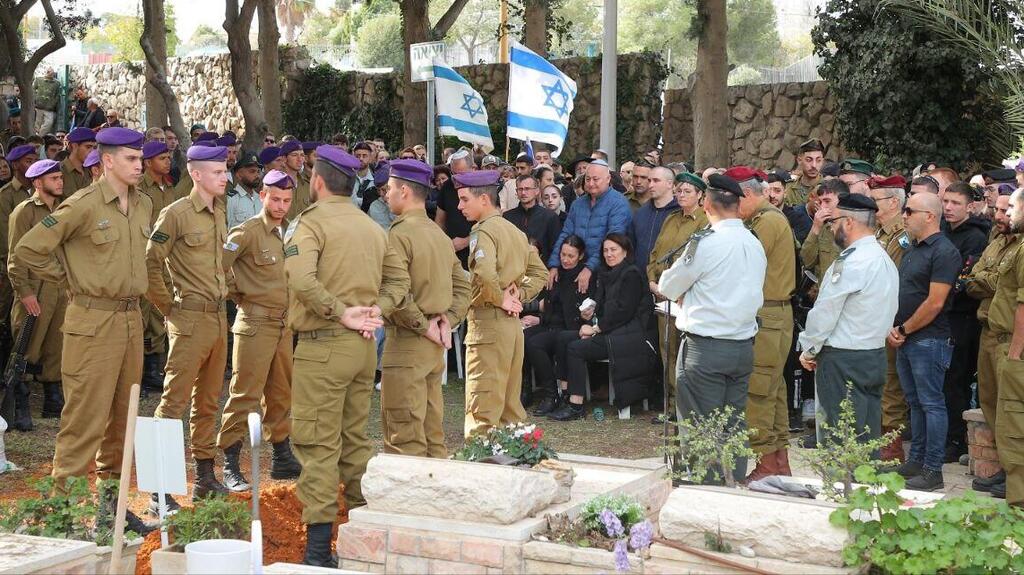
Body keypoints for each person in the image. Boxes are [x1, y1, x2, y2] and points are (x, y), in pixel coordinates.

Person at [13, 127, 154, 533]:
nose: (139, 166)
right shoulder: (83, 205)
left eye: (140, 158)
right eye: (130, 159)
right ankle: (62, 516)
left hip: (131, 319)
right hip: (93, 322)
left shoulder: (143, 203)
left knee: (123, 421)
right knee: (84, 422)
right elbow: (27, 250)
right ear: (107, 161)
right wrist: (69, 277)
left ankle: (111, 511)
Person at [284, 145, 386, 567]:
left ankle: (317, 551)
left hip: (324, 344)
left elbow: (300, 278)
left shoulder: (309, 223)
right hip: (362, 347)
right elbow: (397, 280)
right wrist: (374, 311)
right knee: (354, 439)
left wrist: (340, 311)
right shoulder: (371, 227)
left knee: (318, 444)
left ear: (317, 181)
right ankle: (366, 533)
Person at [658, 174, 767, 485]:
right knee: (733, 422)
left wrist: (685, 291)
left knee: (699, 423)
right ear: (738, 205)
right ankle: (732, 481)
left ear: (706, 204)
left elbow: (668, 285)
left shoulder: (706, 243)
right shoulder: (753, 241)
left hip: (705, 348)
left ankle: (706, 488)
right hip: (742, 346)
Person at [145, 144, 232, 511]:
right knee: (173, 403)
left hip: (217, 317)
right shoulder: (176, 213)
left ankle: (205, 477)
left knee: (209, 401)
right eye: (218, 172)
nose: (225, 177)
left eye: (225, 170)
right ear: (196, 174)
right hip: (189, 318)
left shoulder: (219, 211)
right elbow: (150, 261)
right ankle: (158, 490)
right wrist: (168, 307)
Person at [376, 160, 470, 457]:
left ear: (404, 191)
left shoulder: (398, 234)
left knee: (404, 436)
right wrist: (447, 321)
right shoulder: (437, 233)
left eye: (389, 188)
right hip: (434, 341)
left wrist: (424, 325)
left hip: (408, 341)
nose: (386, 194)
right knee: (432, 435)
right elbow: (463, 286)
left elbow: (396, 292)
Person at [216, 169, 302, 493]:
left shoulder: (288, 232)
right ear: (263, 196)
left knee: (281, 393)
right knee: (245, 395)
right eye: (275, 199)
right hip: (254, 323)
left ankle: (282, 456)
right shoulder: (247, 231)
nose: (280, 206)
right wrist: (239, 292)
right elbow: (219, 266)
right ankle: (230, 462)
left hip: (282, 325)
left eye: (286, 200)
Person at [798, 194, 899, 443]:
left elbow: (825, 312)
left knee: (839, 436)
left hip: (844, 359)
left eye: (834, 222)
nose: (831, 228)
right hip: (874, 354)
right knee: (866, 434)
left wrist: (809, 349)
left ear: (849, 222)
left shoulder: (851, 262)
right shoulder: (883, 257)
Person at [455, 170, 547, 436]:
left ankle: (481, 456)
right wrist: (519, 296)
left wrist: (502, 298)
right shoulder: (516, 232)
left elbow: (484, 274)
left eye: (464, 199)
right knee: (509, 406)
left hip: (488, 323)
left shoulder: (482, 231)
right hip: (511, 327)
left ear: (484, 199)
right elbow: (540, 273)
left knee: (483, 406)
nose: (459, 206)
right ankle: (513, 453)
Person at [887, 192, 961, 491]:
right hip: (907, 338)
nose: (904, 216)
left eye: (909, 211)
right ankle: (916, 460)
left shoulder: (944, 251)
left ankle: (933, 469)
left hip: (929, 339)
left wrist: (903, 329)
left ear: (930, 216)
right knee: (915, 403)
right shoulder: (913, 248)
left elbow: (935, 302)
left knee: (931, 404)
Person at [730, 166, 797, 480]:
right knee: (773, 389)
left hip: (767, 314)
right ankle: (778, 461)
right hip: (772, 314)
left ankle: (766, 463)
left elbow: (741, 263)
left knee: (757, 391)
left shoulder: (767, 221)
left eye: (734, 200)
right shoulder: (765, 218)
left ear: (746, 194)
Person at [550, 233, 659, 421]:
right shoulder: (606, 273)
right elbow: (602, 307)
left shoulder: (632, 274)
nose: (609, 254)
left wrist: (595, 329)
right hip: (611, 331)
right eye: (605, 250)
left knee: (575, 348)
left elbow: (624, 312)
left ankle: (576, 405)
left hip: (630, 336)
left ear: (625, 251)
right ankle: (565, 395)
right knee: (562, 338)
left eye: (613, 250)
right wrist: (590, 314)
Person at [6, 158, 68, 430]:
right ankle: (19, 401)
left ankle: (53, 397)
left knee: (56, 344)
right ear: (38, 182)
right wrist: (25, 292)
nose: (60, 182)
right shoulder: (24, 212)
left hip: (60, 288)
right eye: (54, 178)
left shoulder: (64, 209)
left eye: (60, 177)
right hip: (35, 289)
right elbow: (15, 257)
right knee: (27, 345)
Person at [965, 190, 1016, 494]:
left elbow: (1000, 282)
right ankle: (1006, 467)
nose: (1000, 216)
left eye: (1006, 210)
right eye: (997, 209)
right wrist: (983, 279)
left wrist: (982, 278)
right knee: (990, 401)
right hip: (987, 329)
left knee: (1011, 407)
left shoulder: (1019, 246)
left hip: (1010, 334)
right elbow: (972, 280)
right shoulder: (996, 240)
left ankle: (1016, 474)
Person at [647, 172, 709, 420]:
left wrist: (674, 288)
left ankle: (685, 406)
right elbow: (655, 254)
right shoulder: (671, 219)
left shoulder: (704, 222)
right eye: (679, 191)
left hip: (685, 298)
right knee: (667, 352)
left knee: (685, 355)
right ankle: (671, 405)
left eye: (687, 191)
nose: (681, 195)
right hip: (662, 296)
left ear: (700, 195)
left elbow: (697, 262)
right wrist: (652, 281)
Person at [940, 182, 990, 462]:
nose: (948, 207)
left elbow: (963, 279)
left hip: (963, 317)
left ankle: (957, 439)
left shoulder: (975, 237)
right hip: (942, 315)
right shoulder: (942, 230)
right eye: (946, 201)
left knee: (956, 380)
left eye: (955, 203)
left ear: (970, 206)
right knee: (943, 380)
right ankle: (947, 435)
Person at [867, 174, 912, 462]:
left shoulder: (902, 237)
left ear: (894, 202)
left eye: (876, 200)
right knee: (878, 380)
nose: (872, 206)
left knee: (890, 384)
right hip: (874, 318)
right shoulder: (880, 233)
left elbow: (894, 277)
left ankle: (892, 445)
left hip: (891, 318)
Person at [987, 188, 1024, 503]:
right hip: (1003, 340)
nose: (1007, 212)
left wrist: (1014, 355)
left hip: (1015, 348)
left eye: (1012, 206)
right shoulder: (1016, 244)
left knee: (1014, 431)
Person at [527, 236, 590, 416]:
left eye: (571, 256)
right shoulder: (555, 274)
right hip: (549, 324)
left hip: (570, 328)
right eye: (563, 254)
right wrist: (539, 319)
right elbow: (549, 306)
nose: (565, 259)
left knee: (535, 343)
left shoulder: (583, 277)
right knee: (522, 337)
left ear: (580, 256)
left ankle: (551, 394)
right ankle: (526, 390)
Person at [547, 161, 632, 295]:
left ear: (608, 179)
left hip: (605, 271)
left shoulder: (619, 203)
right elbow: (566, 234)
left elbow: (614, 241)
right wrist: (554, 264)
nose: (591, 183)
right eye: (587, 179)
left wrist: (589, 268)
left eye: (596, 179)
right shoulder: (578, 204)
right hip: (574, 267)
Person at [631, 166, 679, 276]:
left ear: (669, 184)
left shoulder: (680, 213)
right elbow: (632, 246)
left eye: (656, 181)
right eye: (649, 181)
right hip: (638, 278)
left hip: (667, 278)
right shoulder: (640, 213)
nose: (651, 185)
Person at [503, 173, 561, 264]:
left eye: (527, 189)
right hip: (514, 267)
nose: (523, 193)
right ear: (516, 192)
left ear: (537, 191)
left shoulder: (550, 217)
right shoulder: (507, 217)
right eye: (520, 189)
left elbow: (555, 248)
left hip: (542, 267)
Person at [801, 178, 849, 282]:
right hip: (825, 289)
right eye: (820, 201)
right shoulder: (824, 227)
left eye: (827, 201)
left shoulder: (855, 229)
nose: (822, 206)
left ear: (843, 201)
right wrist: (815, 228)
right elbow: (807, 261)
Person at [435, 149, 476, 268]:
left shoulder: (484, 185)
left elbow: (492, 222)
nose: (458, 179)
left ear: (473, 168)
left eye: (462, 174)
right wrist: (443, 244)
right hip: (452, 252)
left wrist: (466, 241)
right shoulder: (447, 186)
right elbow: (439, 221)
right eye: (454, 174)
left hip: (478, 251)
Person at [227, 152, 263, 229]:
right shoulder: (231, 199)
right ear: (239, 175)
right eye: (252, 171)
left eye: (258, 171)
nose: (257, 175)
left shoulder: (260, 199)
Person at [784, 138, 825, 206]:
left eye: (818, 160)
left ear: (822, 161)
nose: (814, 165)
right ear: (799, 160)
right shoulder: (788, 188)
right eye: (809, 160)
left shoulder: (829, 188)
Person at [60, 128, 97, 198]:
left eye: (94, 148)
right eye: (88, 147)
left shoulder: (92, 170)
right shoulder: (59, 171)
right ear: (75, 146)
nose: (92, 151)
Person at [281, 141, 311, 220]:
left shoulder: (307, 184)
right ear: (284, 158)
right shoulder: (276, 184)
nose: (300, 159)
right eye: (294, 155)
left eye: (302, 155)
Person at [32, 69, 59, 135]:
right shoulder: (38, 79)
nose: (50, 73)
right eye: (48, 72)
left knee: (49, 123)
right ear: (46, 72)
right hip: (38, 106)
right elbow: (32, 89)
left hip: (49, 108)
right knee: (37, 125)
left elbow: (57, 95)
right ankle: (37, 137)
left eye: (51, 72)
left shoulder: (56, 83)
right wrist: (35, 99)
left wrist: (53, 103)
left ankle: (39, 137)